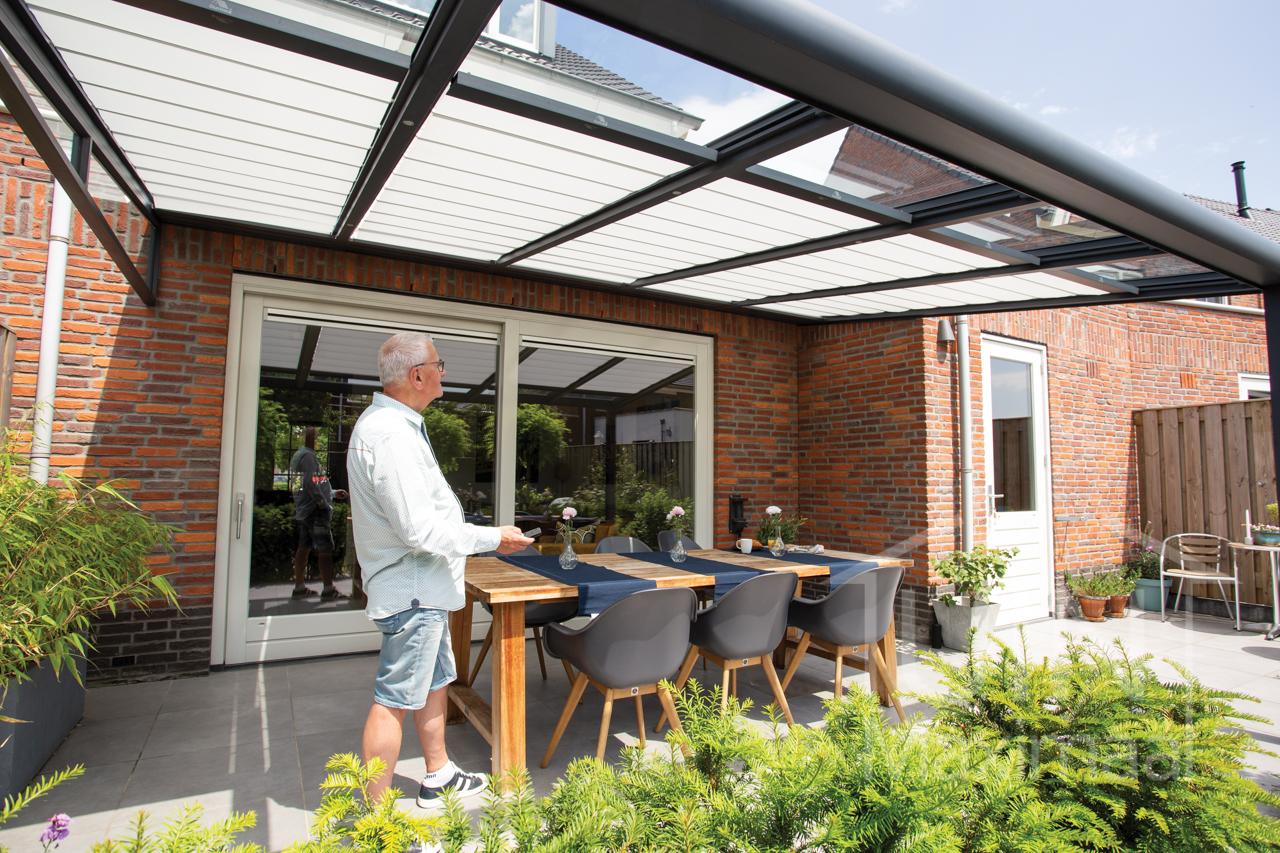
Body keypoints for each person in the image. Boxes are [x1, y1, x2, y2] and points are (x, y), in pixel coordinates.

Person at [347, 331, 532, 806]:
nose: (443, 371)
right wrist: (494, 538)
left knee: (434, 684)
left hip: (425, 590)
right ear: (417, 375)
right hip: (414, 593)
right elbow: (418, 530)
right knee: (393, 702)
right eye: (439, 363)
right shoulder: (389, 436)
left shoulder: (399, 426)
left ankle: (439, 773)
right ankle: (377, 823)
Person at [288, 426, 347, 600]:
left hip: (305, 511)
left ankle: (299, 587)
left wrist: (333, 493)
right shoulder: (308, 457)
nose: (317, 437)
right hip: (315, 511)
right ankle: (328, 590)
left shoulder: (301, 455)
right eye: (315, 434)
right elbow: (310, 484)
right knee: (325, 549)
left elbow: (312, 484)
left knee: (304, 547)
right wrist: (322, 504)